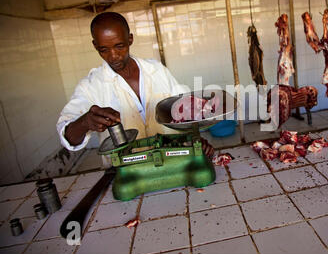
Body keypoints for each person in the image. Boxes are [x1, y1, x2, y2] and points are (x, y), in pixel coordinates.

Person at [56, 12, 214, 161]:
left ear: (130, 39)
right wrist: (85, 122)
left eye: (119, 46)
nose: (113, 56)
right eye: (104, 49)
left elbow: (183, 110)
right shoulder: (90, 86)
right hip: (127, 171)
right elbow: (68, 137)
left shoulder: (156, 70)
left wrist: (196, 140)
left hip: (173, 160)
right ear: (95, 46)